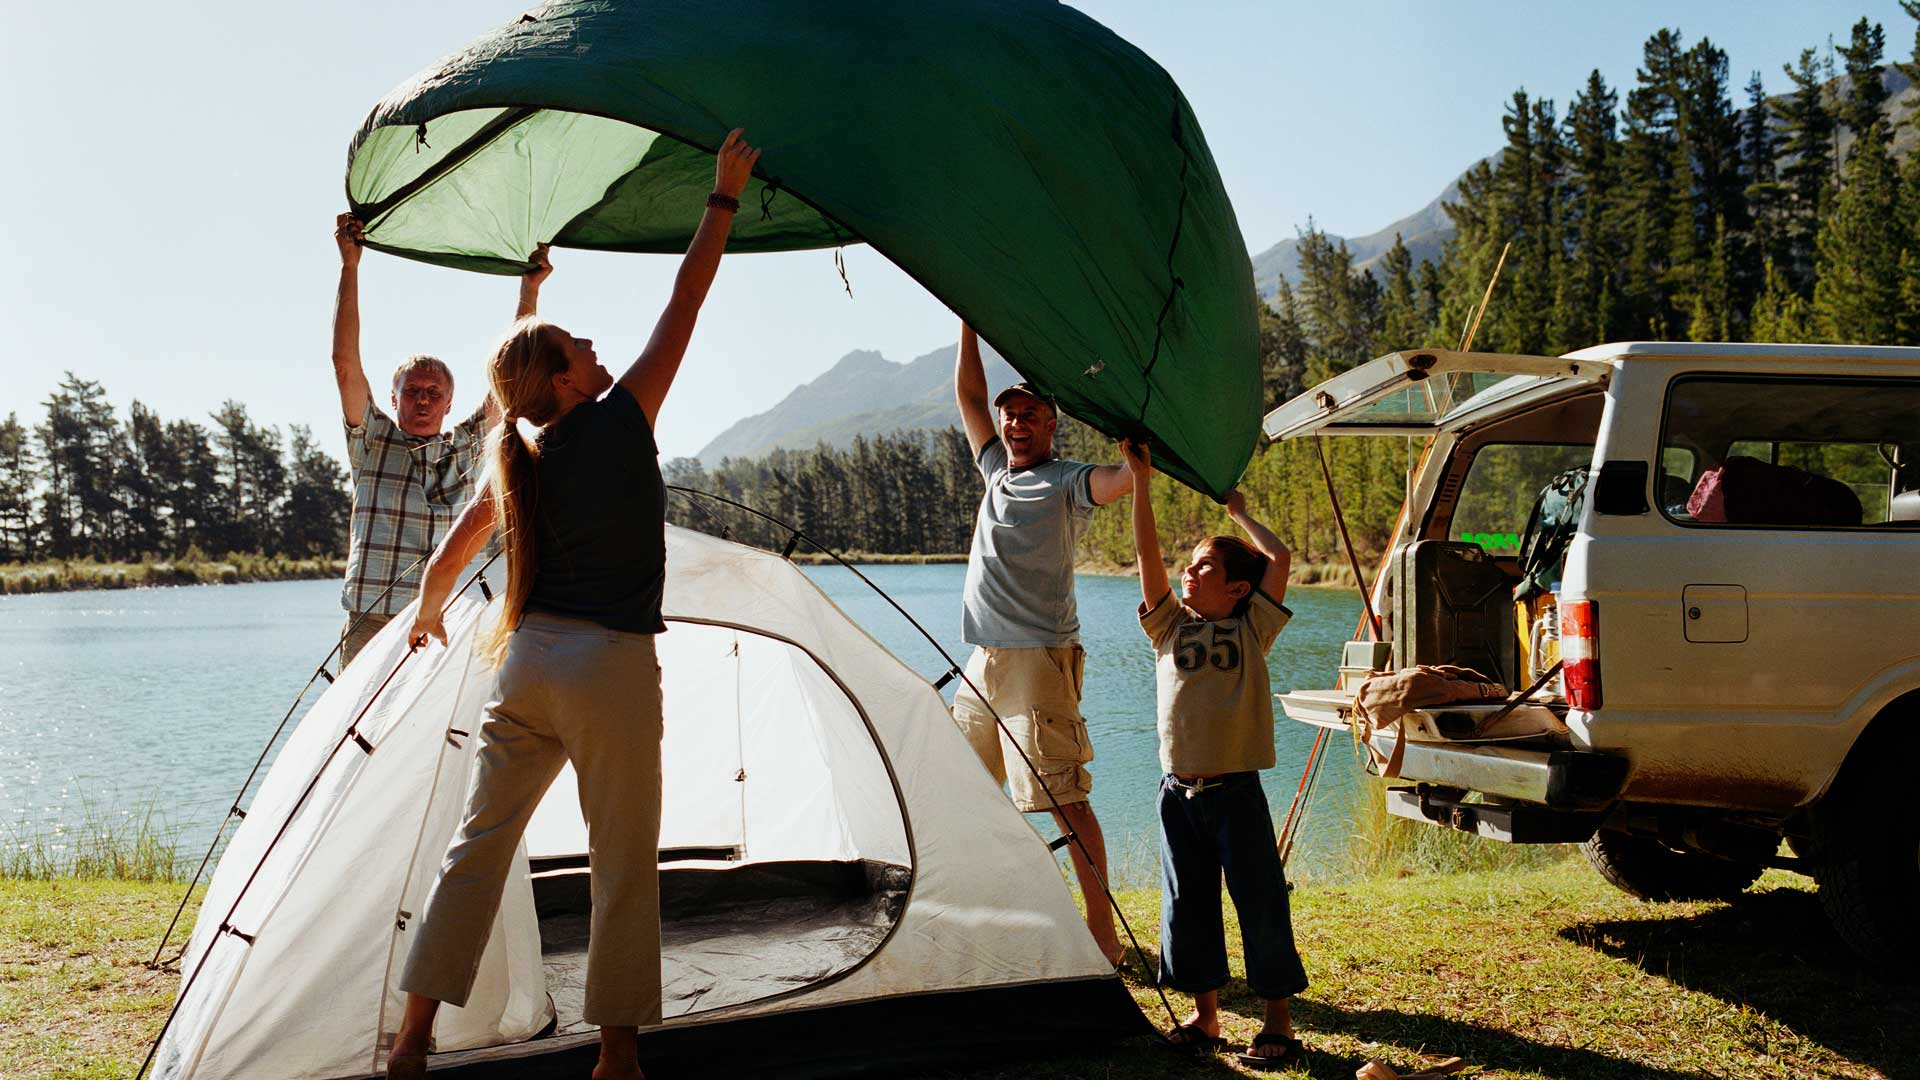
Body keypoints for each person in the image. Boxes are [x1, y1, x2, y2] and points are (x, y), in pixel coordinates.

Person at [384, 128, 763, 1080]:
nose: (598, 347)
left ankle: (412, 1038)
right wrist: (721, 199)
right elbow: (687, 303)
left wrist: (430, 608)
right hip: (606, 665)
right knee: (623, 855)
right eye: (578, 345)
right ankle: (618, 1055)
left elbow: (459, 544)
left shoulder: (519, 459)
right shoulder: (621, 415)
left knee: (477, 847)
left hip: (527, 666)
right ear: (562, 377)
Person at [1122, 439, 1309, 1070]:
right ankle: (1206, 1019)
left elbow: (1278, 556)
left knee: (1259, 901)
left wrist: (1239, 514)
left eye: (1202, 568)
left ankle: (1278, 1023)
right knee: (1186, 906)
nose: (1187, 572)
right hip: (1179, 793)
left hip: (1236, 794)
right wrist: (1141, 484)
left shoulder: (1252, 627)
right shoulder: (1168, 627)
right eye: (1191, 565)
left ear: (1235, 590)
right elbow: (1146, 557)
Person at [949, 320, 1131, 965]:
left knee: (1063, 799)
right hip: (984, 661)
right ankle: (987, 916)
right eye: (1009, 415)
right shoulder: (996, 468)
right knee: (956, 785)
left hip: (1039, 661)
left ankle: (1102, 935)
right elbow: (969, 398)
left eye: (1027, 414)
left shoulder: (1066, 480)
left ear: (1052, 424)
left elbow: (1119, 482)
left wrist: (1135, 451)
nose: (1013, 423)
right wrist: (967, 325)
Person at [330, 214, 551, 665]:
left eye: (433, 393)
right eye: (411, 391)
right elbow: (344, 364)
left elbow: (510, 374)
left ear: (450, 402)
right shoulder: (373, 442)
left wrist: (530, 289)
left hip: (446, 618)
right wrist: (349, 265)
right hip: (372, 619)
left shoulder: (467, 448)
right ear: (394, 400)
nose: (423, 400)